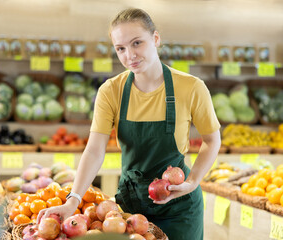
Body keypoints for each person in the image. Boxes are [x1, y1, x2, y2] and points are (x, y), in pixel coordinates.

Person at [38, 8, 221, 240]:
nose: (129, 55)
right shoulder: (111, 91)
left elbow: (212, 140)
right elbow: (94, 150)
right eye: (120, 49)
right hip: (128, 210)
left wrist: (193, 182)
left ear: (155, 39)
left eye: (137, 43)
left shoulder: (191, 87)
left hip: (179, 207)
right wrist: (72, 200)